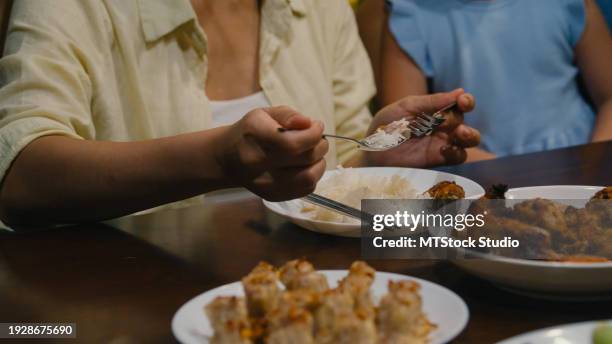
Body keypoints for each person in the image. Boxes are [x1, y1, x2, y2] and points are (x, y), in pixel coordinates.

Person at [0, 0, 479, 228]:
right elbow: (20, 178)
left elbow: (335, 165)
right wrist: (216, 161)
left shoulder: (320, 8)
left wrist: (374, 156)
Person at [379, 0, 612, 161]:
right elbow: (407, 136)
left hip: (580, 155)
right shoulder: (409, 13)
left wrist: (593, 157)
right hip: (474, 168)